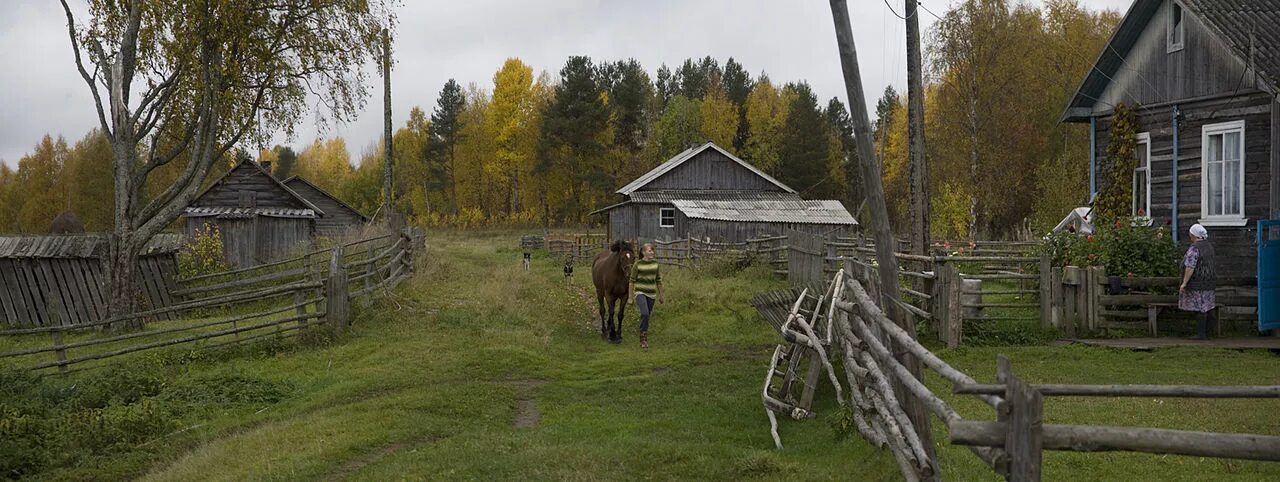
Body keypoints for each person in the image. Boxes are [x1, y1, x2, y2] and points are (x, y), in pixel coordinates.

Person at [1179, 224, 1216, 340]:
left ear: (1193, 235)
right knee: (1207, 307)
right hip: (1209, 282)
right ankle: (1208, 332)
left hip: (1197, 283)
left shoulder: (1195, 248)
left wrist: (1184, 283)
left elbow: (1190, 266)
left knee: (1200, 308)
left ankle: (1201, 334)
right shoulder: (1208, 246)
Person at [629, 243, 663, 349]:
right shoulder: (637, 264)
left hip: (652, 294)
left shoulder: (656, 264)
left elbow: (658, 280)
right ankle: (643, 338)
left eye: (653, 250)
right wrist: (630, 297)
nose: (652, 252)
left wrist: (661, 295)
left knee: (647, 316)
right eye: (649, 250)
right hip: (640, 292)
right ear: (643, 252)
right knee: (645, 313)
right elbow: (631, 281)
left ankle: (644, 332)